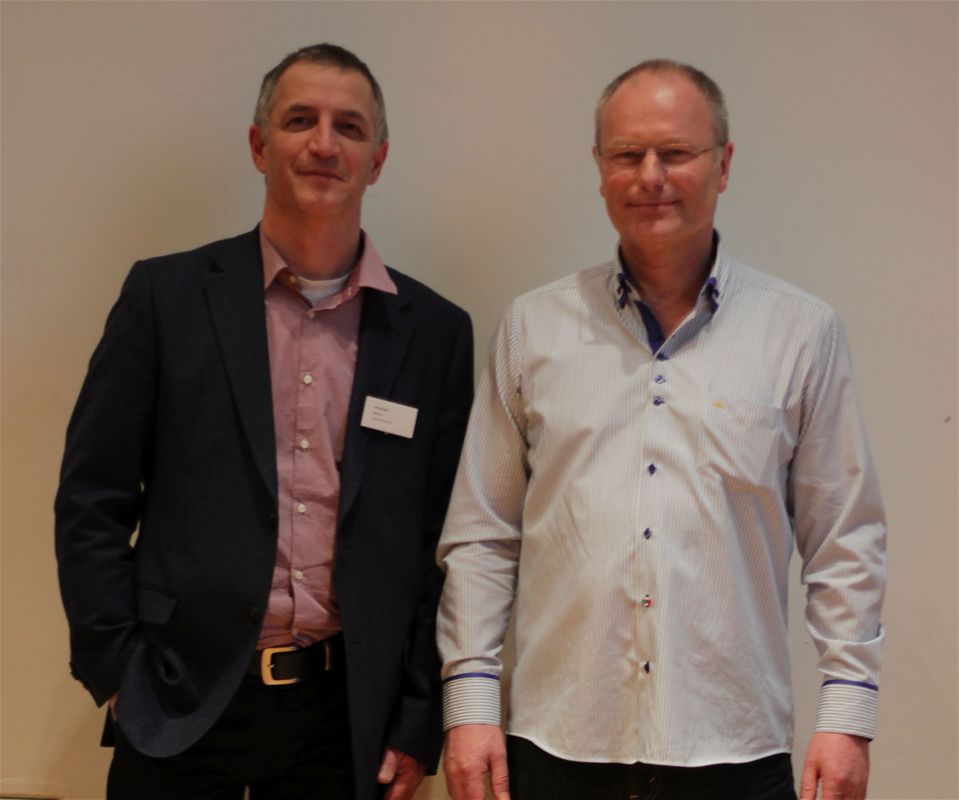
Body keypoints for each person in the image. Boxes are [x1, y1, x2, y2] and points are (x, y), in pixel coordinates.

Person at [436, 59, 885, 800]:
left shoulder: (802, 334)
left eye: (675, 152)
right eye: (627, 154)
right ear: (599, 167)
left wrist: (847, 717)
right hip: (558, 745)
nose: (650, 176)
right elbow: (483, 534)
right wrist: (471, 704)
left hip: (733, 750)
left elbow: (844, 540)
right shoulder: (532, 328)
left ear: (723, 164)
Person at [55, 43, 472, 800]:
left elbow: (440, 541)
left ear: (377, 160)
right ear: (258, 145)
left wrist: (418, 717)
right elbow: (93, 498)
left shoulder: (434, 334)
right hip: (179, 701)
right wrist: (115, 669)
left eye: (349, 127)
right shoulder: (166, 298)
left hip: (345, 719)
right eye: (299, 120)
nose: (324, 144)